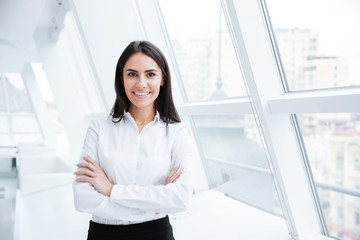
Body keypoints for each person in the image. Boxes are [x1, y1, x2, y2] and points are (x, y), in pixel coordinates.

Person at [73, 40, 194, 240]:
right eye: (132, 74)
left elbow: (181, 198)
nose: (141, 83)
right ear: (121, 79)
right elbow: (82, 198)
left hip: (156, 235)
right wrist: (154, 206)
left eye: (150, 74)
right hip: (104, 235)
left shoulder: (177, 132)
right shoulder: (99, 127)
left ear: (162, 79)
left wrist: (111, 190)